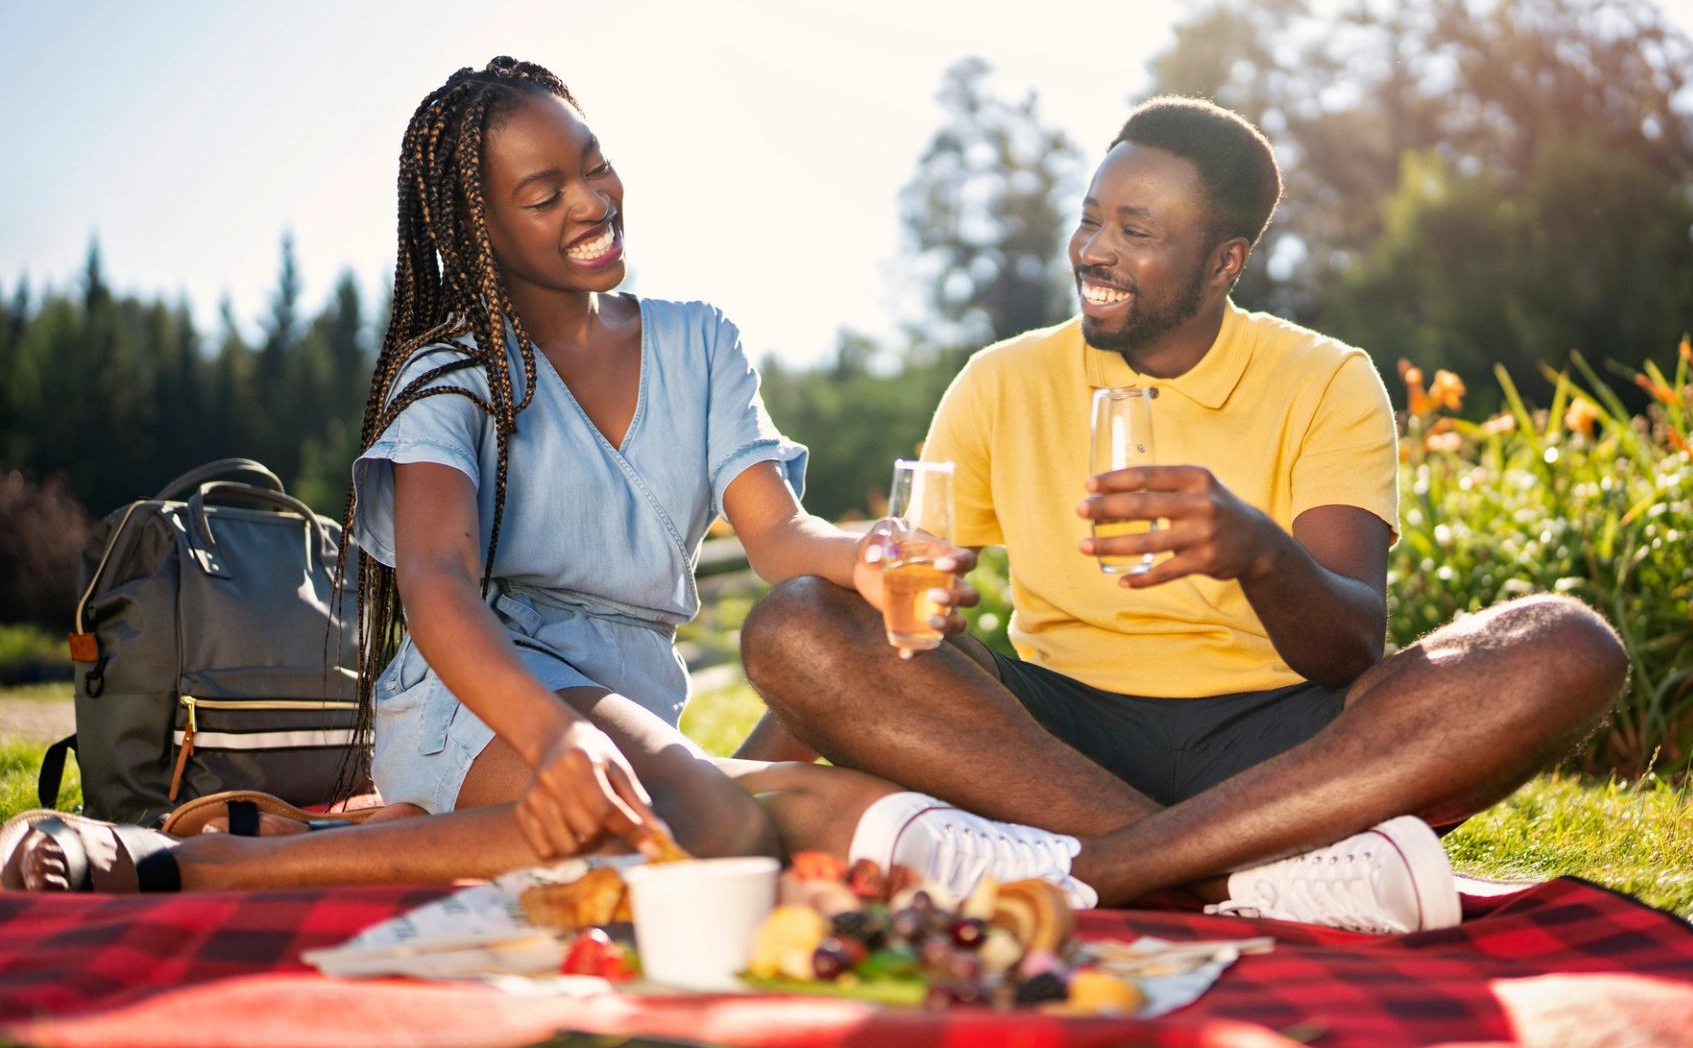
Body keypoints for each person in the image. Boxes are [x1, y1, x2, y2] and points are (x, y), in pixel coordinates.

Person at [0, 58, 1093, 901]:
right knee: (719, 828)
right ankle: (199, 869)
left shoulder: (699, 341)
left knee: (825, 698)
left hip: (640, 707)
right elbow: (432, 579)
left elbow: (779, 539)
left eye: (592, 161)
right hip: (488, 698)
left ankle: (361, 838)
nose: (589, 199)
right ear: (481, 224)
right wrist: (556, 736)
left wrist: (867, 556)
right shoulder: (456, 369)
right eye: (543, 191)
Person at [736, 96, 1631, 933]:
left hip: (1280, 743)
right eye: (1091, 219)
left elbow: (1352, 647)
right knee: (795, 619)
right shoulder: (1002, 379)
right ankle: (1240, 878)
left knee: (1567, 642)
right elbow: (882, 617)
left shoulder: (1325, 378)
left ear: (1224, 261)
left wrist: (1256, 552)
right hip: (1050, 745)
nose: (1095, 250)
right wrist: (734, 775)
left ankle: (1095, 870)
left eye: (1137, 232)